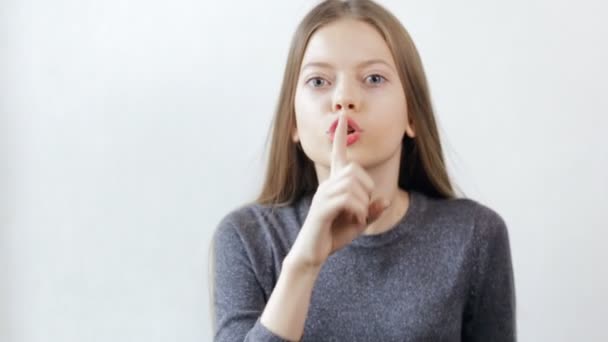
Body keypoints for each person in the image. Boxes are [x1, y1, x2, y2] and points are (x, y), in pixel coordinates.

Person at [210, 0, 516, 341]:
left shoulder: (475, 235)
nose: (343, 98)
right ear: (292, 121)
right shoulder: (247, 238)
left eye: (373, 78)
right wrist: (303, 264)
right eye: (318, 81)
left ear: (412, 115)